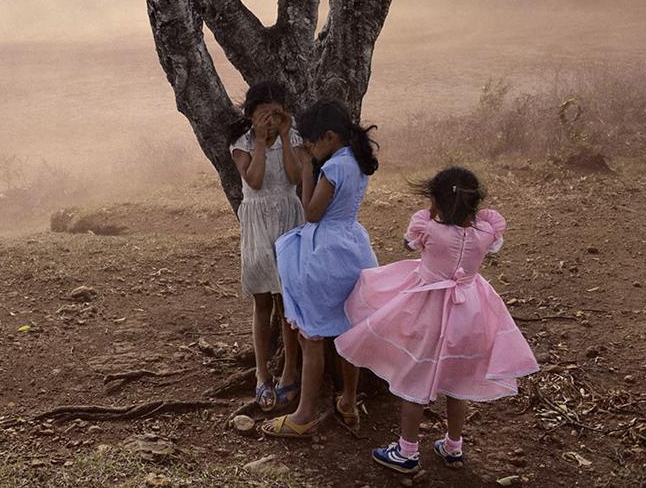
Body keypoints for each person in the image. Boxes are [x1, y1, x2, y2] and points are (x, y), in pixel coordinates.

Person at [334, 167, 539, 474]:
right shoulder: (486, 232)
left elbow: (410, 244)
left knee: (416, 379)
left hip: (428, 309)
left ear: (437, 202)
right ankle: (453, 445)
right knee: (458, 382)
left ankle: (407, 451)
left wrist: (431, 221)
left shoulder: (428, 228)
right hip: (470, 312)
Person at [260, 100, 379, 437]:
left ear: (329, 136)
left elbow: (312, 214)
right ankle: (349, 401)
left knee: (311, 337)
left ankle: (304, 416)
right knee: (347, 330)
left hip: (324, 252)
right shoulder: (355, 160)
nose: (310, 149)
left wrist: (308, 170)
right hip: (352, 247)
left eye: (312, 143)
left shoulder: (332, 168)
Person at [229, 81, 304, 412]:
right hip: (259, 223)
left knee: (288, 303)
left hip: (289, 218)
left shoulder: (295, 137)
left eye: (276, 114)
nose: (270, 121)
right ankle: (262, 374)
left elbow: (295, 177)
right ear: (250, 115)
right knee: (263, 301)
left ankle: (290, 370)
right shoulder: (241, 144)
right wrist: (260, 142)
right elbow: (255, 180)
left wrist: (286, 139)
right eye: (263, 115)